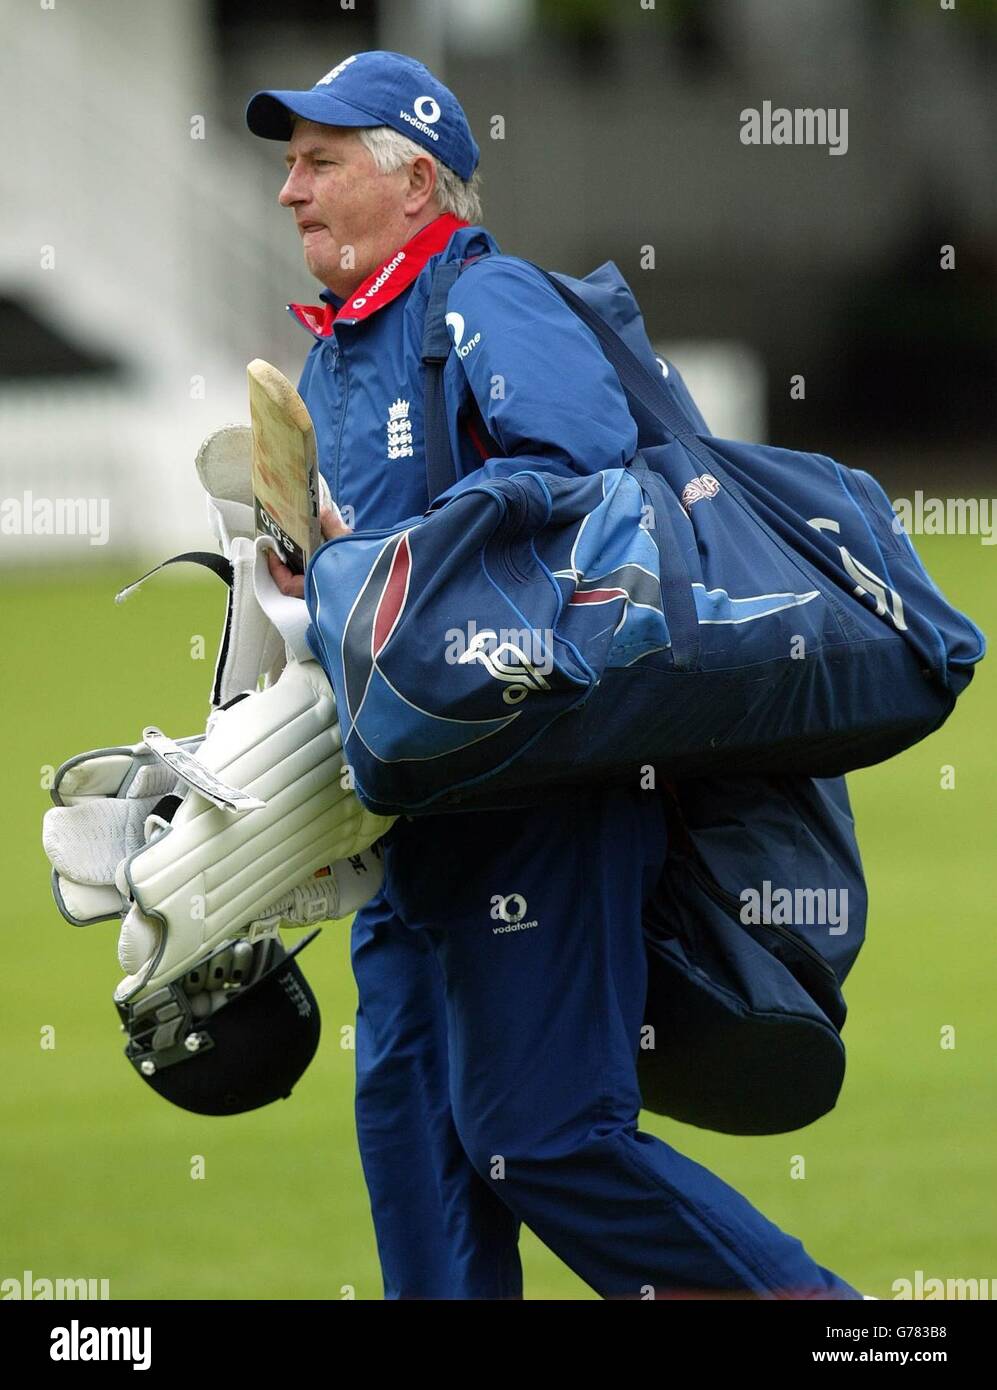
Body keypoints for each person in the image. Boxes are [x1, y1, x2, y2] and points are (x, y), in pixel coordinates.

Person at [246, 49, 864, 1301]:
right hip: (405, 820)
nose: (289, 191)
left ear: (415, 180)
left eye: (319, 162)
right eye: (289, 165)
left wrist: (377, 562)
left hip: (545, 798)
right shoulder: (332, 362)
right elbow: (356, 602)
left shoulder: (492, 299)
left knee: (542, 1136)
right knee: (420, 1170)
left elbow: (584, 481)